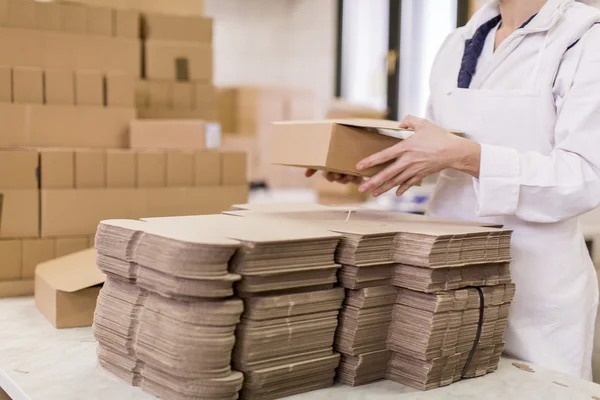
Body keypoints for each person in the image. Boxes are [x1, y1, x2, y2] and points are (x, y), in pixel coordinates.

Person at [307, 0, 600, 380]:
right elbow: (445, 153)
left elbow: (584, 177)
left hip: (535, 291)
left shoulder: (584, 39)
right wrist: (374, 162)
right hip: (443, 278)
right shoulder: (458, 44)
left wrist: (467, 156)